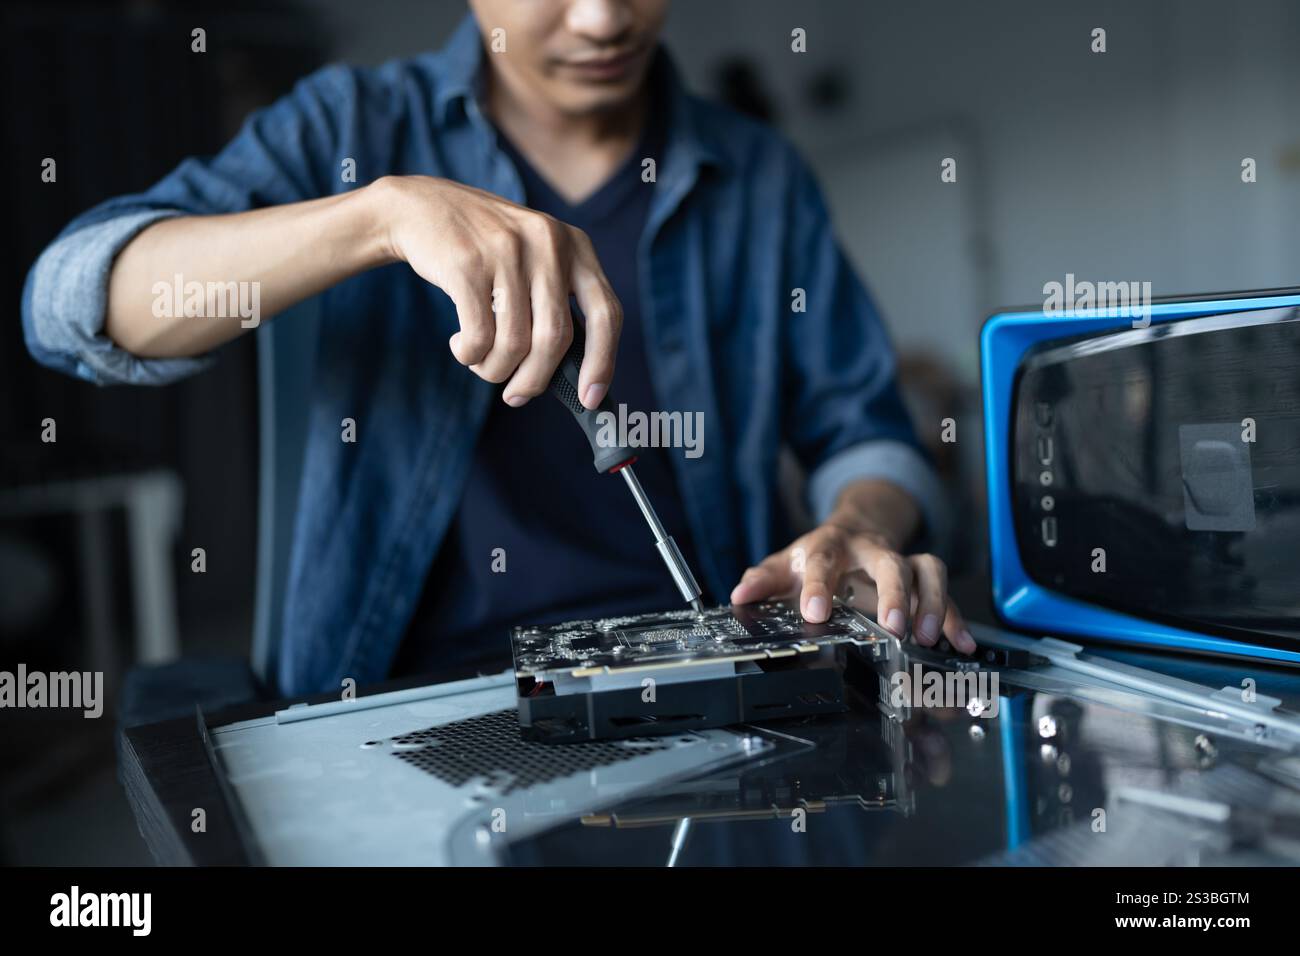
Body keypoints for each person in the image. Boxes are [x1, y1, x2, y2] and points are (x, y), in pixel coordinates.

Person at [21, 0, 974, 696]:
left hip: (705, 689)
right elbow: (69, 304)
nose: (604, 20)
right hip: (405, 703)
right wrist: (378, 217)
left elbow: (868, 432)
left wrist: (863, 520)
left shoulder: (762, 179)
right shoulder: (346, 129)